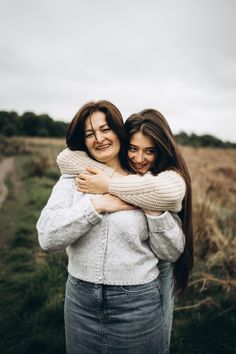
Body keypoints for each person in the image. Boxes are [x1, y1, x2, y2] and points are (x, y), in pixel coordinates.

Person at [37, 101, 186, 354]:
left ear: (118, 131)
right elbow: (47, 237)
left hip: (138, 304)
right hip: (80, 303)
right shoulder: (74, 179)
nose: (99, 138)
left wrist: (148, 206)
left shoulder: (147, 184)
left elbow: (171, 252)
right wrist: (97, 205)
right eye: (89, 133)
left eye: (105, 129)